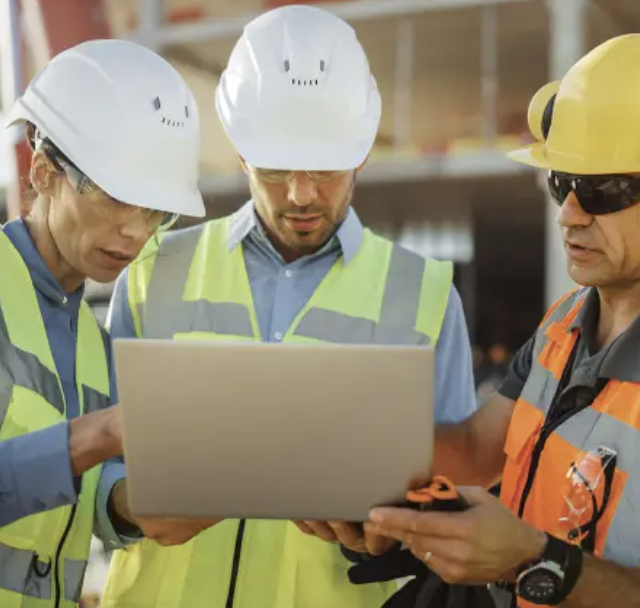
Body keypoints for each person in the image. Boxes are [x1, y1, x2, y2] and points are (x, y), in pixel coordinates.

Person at [361, 34, 640, 608]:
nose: (569, 214)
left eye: (602, 191)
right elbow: (473, 449)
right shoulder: (564, 322)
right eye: (561, 183)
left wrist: (534, 563)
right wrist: (355, 466)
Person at [97, 5, 477, 608]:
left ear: (361, 153)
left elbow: (459, 493)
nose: (301, 194)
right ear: (242, 154)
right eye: (275, 170)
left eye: (324, 170)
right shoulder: (152, 273)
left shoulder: (425, 296)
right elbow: (92, 463)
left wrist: (388, 534)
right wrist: (124, 506)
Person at [0, 39, 207, 607]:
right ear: (42, 169)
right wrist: (100, 434)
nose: (136, 232)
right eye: (115, 197)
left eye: (156, 211)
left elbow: (78, 500)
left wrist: (136, 504)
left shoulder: (94, 345)